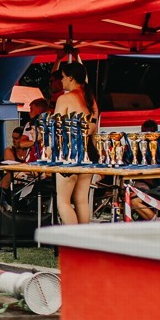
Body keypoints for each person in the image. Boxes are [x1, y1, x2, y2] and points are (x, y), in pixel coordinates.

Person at [52, 64, 100, 225]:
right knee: (81, 200)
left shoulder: (64, 99)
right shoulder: (91, 100)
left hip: (69, 152)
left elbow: (55, 130)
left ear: (71, 78)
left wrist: (49, 153)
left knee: (63, 201)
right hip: (89, 152)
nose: (61, 81)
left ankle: (73, 237)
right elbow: (94, 130)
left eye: (63, 77)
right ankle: (84, 237)